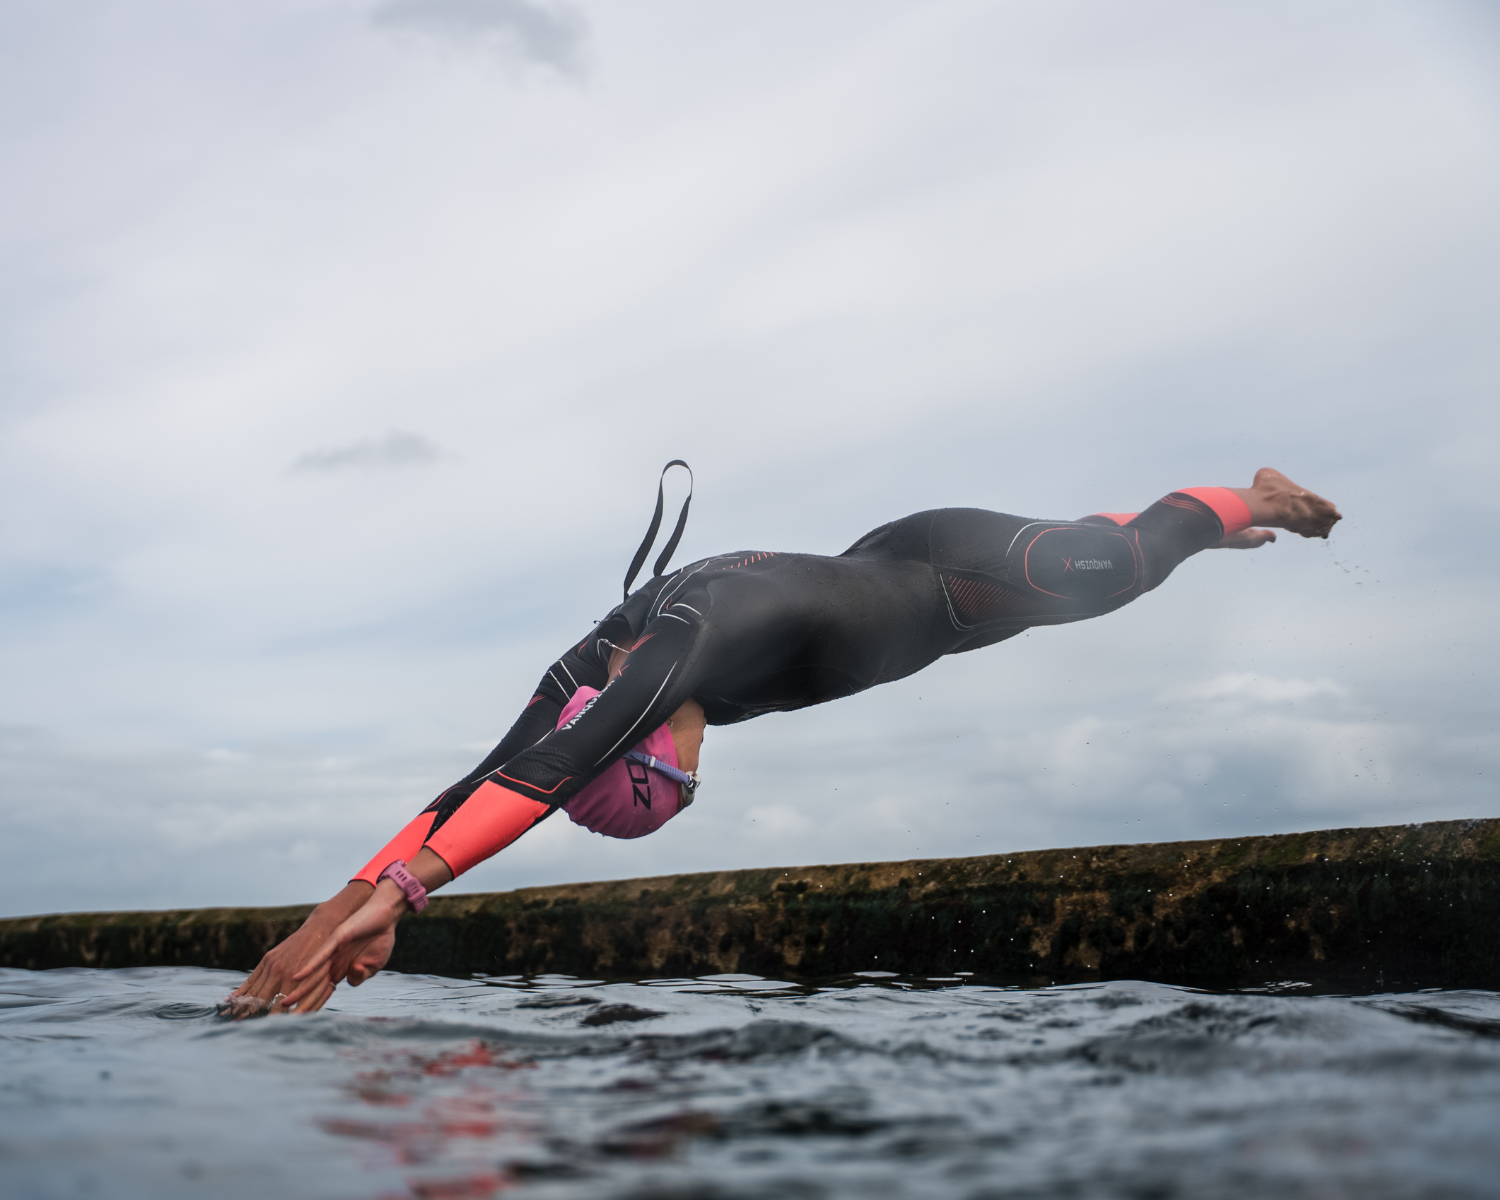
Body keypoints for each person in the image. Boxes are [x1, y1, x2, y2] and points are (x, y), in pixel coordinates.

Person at [223, 466, 1341, 1017]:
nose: (698, 772)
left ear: (645, 745)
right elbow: (493, 774)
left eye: (674, 784)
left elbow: (556, 767)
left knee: (1119, 571)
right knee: (1088, 576)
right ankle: (1185, 534)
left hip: (964, 570)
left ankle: (1246, 501)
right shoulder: (596, 668)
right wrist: (340, 907)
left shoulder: (680, 653)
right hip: (905, 589)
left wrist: (404, 894)